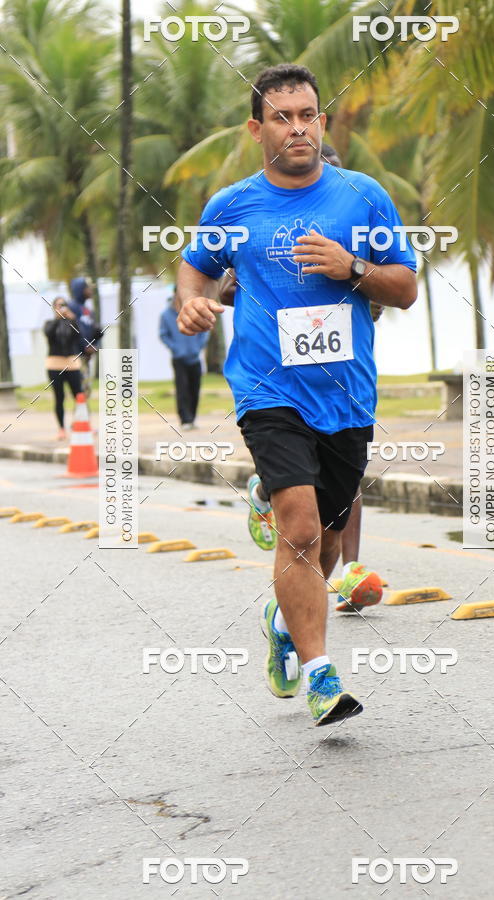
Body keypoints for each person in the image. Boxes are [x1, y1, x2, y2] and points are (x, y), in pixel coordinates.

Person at [176, 63, 417, 726]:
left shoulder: (363, 198)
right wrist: (192, 307)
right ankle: (320, 677)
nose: (298, 127)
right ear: (258, 129)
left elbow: (405, 287)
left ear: (322, 120)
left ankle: (282, 621)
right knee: (302, 530)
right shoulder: (232, 206)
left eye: (307, 114)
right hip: (266, 387)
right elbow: (194, 272)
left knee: (329, 542)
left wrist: (353, 268)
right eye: (282, 117)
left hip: (345, 396)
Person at [218, 143, 386, 614]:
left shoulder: (355, 215)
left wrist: (355, 274)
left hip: (341, 376)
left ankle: (344, 568)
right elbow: (229, 286)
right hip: (275, 379)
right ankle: (269, 491)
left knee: (346, 482)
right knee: (300, 503)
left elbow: (393, 285)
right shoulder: (262, 218)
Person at [159, 289, 209, 430]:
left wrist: (198, 347)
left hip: (194, 357)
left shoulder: (194, 312)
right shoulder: (166, 315)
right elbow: (163, 335)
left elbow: (204, 331)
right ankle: (185, 420)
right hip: (178, 358)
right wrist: (175, 348)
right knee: (182, 389)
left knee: (194, 388)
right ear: (175, 295)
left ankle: (192, 419)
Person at [44, 297, 86, 440]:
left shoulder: (72, 322)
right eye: (59, 305)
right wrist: (57, 319)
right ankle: (61, 429)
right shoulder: (49, 323)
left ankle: (79, 424)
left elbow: (80, 336)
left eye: (64, 305)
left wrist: (73, 320)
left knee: (79, 396)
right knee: (59, 397)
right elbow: (48, 335)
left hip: (72, 363)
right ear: (54, 307)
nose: (62, 308)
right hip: (55, 364)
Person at [69, 277, 102, 393]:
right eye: (88, 288)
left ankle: (83, 411)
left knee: (86, 388)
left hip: (87, 355)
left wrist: (95, 344)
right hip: (76, 355)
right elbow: (74, 330)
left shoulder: (87, 310)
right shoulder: (72, 307)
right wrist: (85, 346)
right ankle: (82, 411)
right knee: (80, 390)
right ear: (81, 290)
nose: (90, 290)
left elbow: (94, 330)